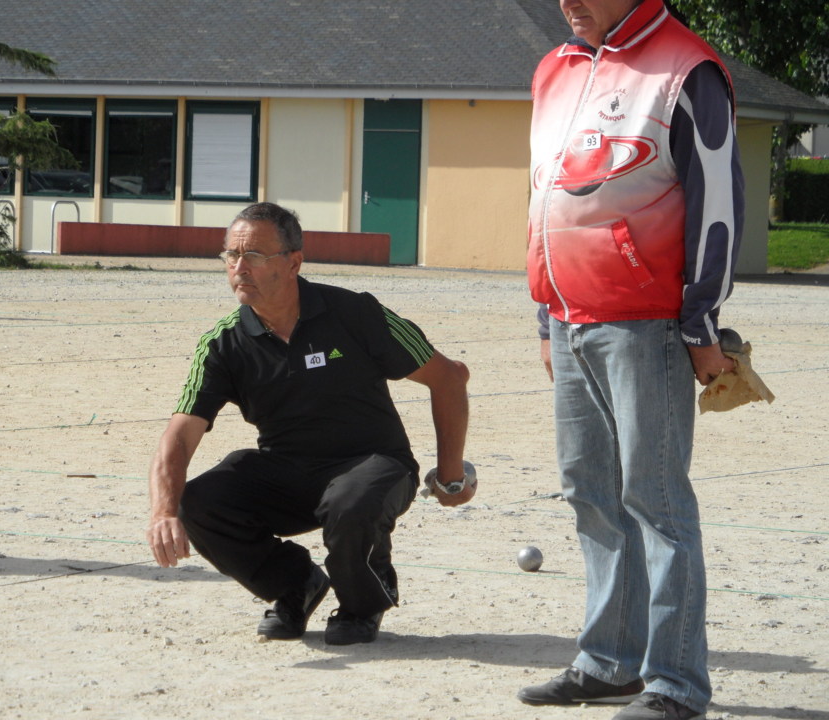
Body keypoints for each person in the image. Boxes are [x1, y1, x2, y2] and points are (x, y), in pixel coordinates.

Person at [520, 1, 744, 719]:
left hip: (647, 324)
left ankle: (675, 684)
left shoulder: (686, 70)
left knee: (657, 502)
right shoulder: (554, 68)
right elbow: (544, 195)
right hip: (568, 318)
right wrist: (546, 315)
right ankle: (609, 662)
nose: (567, 1)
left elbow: (717, 207)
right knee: (590, 494)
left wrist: (701, 322)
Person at [146, 202, 472, 645]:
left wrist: (451, 476)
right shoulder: (223, 344)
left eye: (254, 255)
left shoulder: (355, 313)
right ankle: (295, 585)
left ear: (294, 262)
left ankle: (363, 604)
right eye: (231, 255)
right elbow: (178, 436)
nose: (239, 267)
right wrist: (164, 511)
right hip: (289, 472)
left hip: (374, 465)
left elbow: (449, 377)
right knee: (197, 500)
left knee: (351, 502)